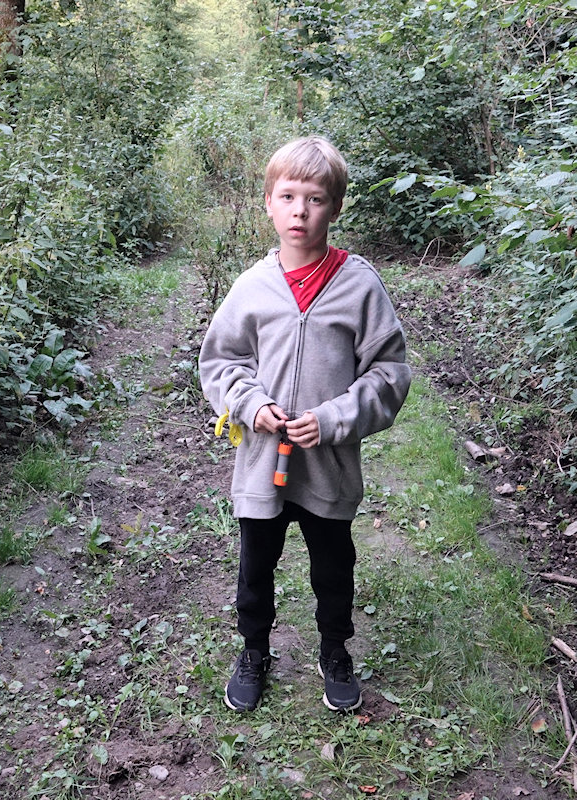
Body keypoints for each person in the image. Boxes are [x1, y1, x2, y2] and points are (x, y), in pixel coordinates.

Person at [198, 136, 411, 713]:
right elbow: (220, 362)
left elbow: (390, 372)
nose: (300, 212)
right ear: (268, 202)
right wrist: (250, 405)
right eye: (288, 197)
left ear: (334, 207)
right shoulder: (252, 286)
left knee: (333, 566)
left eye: (315, 199)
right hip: (262, 463)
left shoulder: (359, 285)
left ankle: (334, 651)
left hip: (328, 466)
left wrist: (335, 416)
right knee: (255, 566)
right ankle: (254, 651)